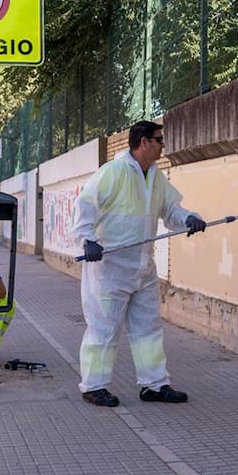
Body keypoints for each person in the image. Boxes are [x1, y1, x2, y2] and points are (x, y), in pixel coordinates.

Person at [70, 120, 206, 407]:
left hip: (143, 267)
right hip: (109, 269)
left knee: (148, 329)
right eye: (159, 140)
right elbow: (85, 205)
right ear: (144, 142)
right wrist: (87, 240)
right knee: (104, 329)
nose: (163, 146)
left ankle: (154, 385)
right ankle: (93, 386)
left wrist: (188, 218)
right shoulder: (113, 172)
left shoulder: (156, 177)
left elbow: (171, 209)